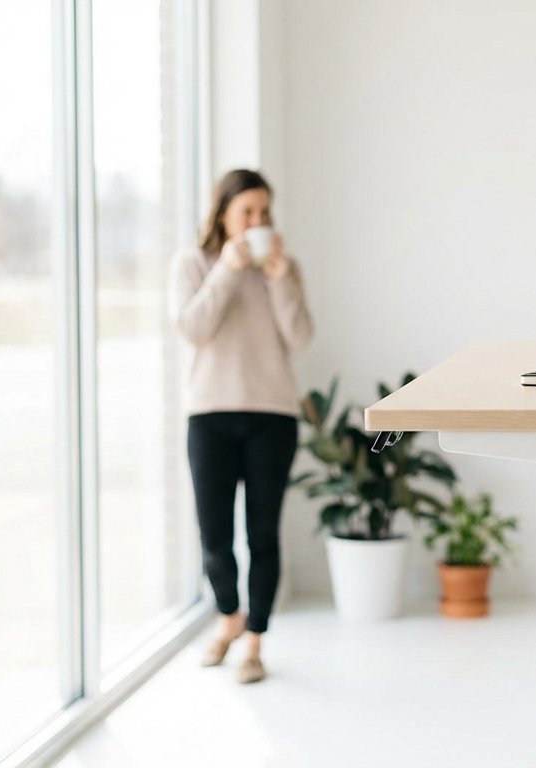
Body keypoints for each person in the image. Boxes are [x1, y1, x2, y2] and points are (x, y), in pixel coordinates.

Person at [170, 169, 313, 684]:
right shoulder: (194, 262)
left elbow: (299, 337)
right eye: (247, 211)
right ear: (224, 212)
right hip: (209, 415)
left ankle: (254, 640)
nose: (256, 221)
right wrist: (228, 270)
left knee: (263, 536)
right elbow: (192, 328)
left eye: (263, 213)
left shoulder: (282, 267)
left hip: (272, 416)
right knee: (213, 535)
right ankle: (228, 617)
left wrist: (279, 280)